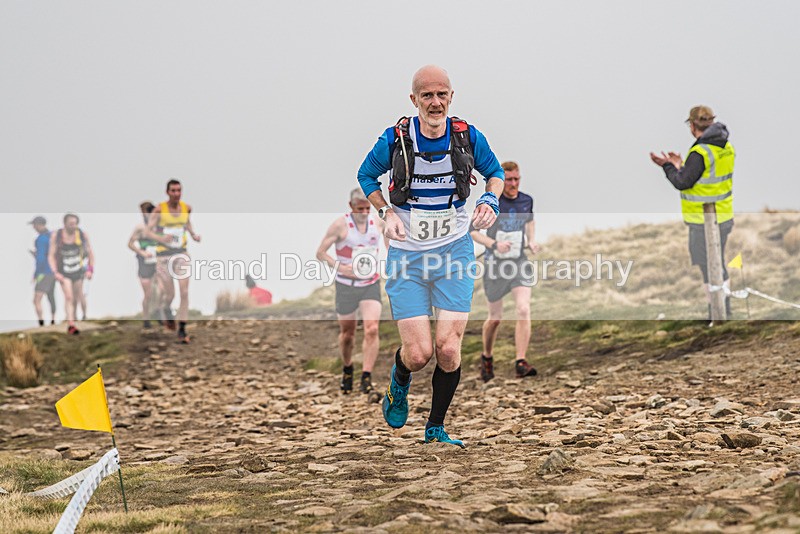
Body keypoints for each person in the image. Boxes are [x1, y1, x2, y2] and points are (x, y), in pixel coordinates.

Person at [357, 65, 504, 447]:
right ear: (414, 100)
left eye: (442, 95)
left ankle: (435, 428)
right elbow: (366, 177)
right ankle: (399, 380)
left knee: (449, 348)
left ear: (451, 97)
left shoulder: (468, 136)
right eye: (427, 96)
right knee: (420, 353)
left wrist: (490, 199)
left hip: (454, 251)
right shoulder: (396, 139)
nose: (435, 102)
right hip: (407, 254)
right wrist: (385, 212)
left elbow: (495, 173)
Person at [650, 105, 735, 319]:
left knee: (708, 265)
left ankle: (717, 312)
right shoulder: (724, 146)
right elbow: (703, 177)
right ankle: (722, 310)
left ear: (692, 126)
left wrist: (668, 167)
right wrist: (681, 164)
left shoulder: (700, 151)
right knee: (718, 262)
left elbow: (683, 182)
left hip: (702, 220)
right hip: (722, 215)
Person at [470, 161, 540, 381]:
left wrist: (531, 241)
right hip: (495, 265)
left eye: (516, 179)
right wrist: (493, 244)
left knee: (523, 309)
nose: (513, 184)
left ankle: (521, 361)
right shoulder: (492, 202)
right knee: (495, 318)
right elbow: (473, 232)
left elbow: (529, 222)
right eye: (508, 180)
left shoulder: (526, 200)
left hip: (519, 262)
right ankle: (487, 357)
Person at [316, 188, 384, 395]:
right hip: (345, 285)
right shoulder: (340, 225)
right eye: (359, 208)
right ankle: (347, 368)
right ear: (351, 207)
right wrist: (340, 267)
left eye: (367, 208)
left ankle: (366, 377)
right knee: (348, 334)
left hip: (370, 283)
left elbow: (391, 244)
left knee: (372, 328)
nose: (364, 212)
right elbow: (320, 253)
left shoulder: (378, 223)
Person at [147, 179, 200, 343]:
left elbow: (187, 223)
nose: (176, 194)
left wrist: (193, 235)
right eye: (173, 191)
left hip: (181, 253)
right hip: (164, 255)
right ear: (167, 192)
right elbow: (147, 232)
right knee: (170, 293)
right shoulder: (159, 210)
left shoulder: (186, 208)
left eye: (179, 190)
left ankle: (182, 329)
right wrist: (161, 237)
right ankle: (165, 309)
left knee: (184, 292)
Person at [48, 213, 94, 335]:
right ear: (65, 224)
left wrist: (90, 269)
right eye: (71, 224)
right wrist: (55, 272)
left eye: (75, 223)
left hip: (78, 271)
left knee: (78, 296)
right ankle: (71, 324)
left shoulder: (82, 235)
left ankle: (80, 316)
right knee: (69, 297)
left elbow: (90, 254)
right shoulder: (57, 236)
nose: (74, 226)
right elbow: (51, 255)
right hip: (64, 272)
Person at [128, 202, 159, 329]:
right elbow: (130, 244)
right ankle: (146, 318)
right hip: (144, 263)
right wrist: (142, 252)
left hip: (158, 262)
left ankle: (160, 314)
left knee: (161, 289)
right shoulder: (140, 228)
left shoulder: (159, 227)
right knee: (148, 293)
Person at [29, 216, 56, 326]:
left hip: (44, 272)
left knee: (36, 299)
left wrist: (36, 273)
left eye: (34, 225)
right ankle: (53, 320)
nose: (33, 227)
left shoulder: (40, 239)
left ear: (39, 224)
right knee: (51, 296)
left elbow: (41, 258)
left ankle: (41, 323)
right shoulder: (52, 237)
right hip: (54, 272)